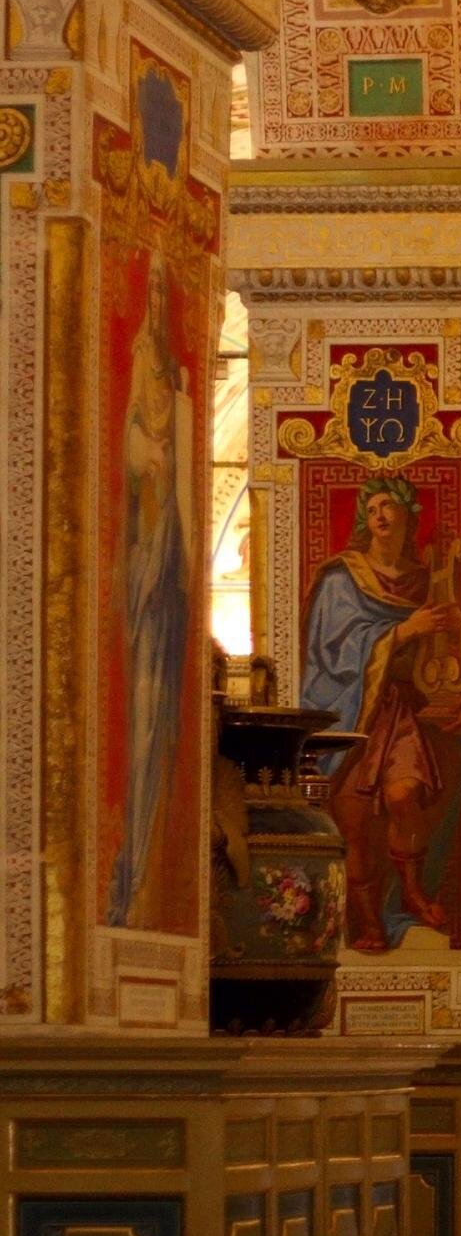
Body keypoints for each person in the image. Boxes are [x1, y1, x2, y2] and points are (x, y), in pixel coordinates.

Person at [302, 475, 461, 951]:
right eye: (373, 507)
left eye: (389, 506)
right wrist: (402, 632)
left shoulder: (424, 580)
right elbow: (328, 651)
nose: (379, 515)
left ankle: (412, 891)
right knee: (354, 822)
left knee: (405, 795)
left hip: (400, 711)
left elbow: (446, 652)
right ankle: (368, 921)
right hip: (349, 711)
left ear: (406, 516)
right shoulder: (341, 579)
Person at [108, 266, 196, 930]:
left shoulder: (181, 387)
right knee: (139, 713)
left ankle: (145, 876)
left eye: (167, 291)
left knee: (161, 715)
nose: (161, 301)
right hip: (146, 570)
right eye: (155, 291)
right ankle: (130, 874)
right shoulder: (138, 387)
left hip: (169, 580)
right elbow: (137, 465)